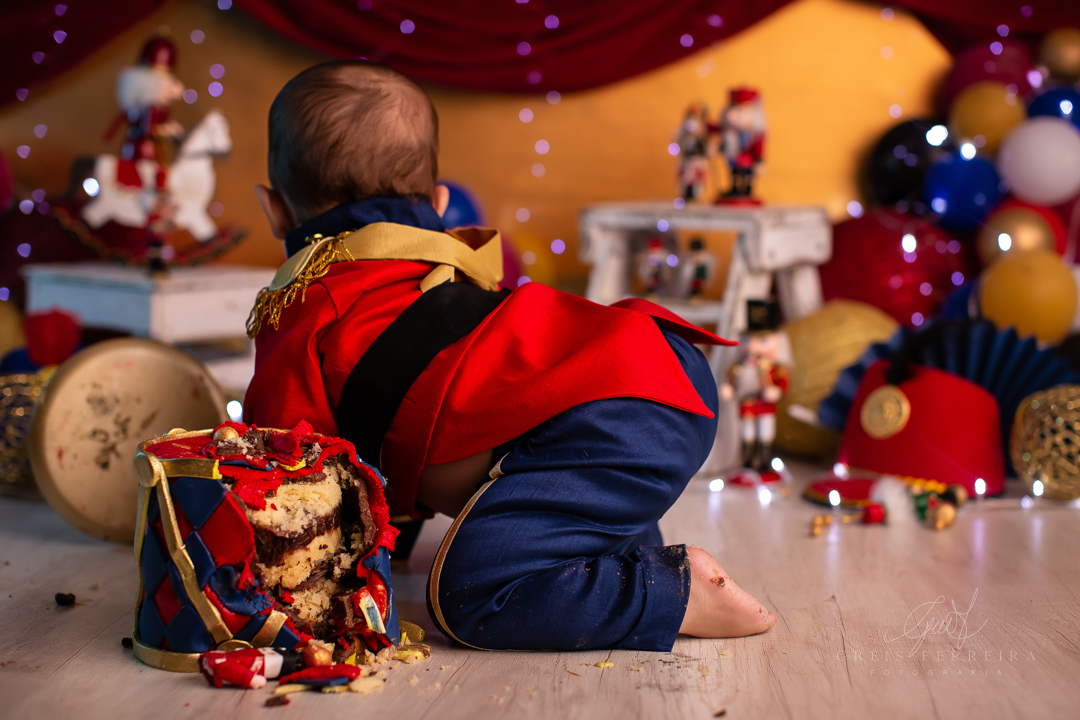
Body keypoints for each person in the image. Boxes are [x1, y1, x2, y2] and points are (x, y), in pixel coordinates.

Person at [244, 60, 776, 652]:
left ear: (276, 210)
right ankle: (615, 552)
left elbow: (283, 466)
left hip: (613, 410)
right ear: (439, 201)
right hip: (660, 369)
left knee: (472, 593)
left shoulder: (304, 301)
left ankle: (666, 592)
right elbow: (387, 430)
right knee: (556, 485)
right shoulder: (449, 274)